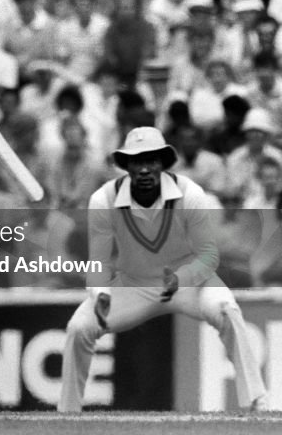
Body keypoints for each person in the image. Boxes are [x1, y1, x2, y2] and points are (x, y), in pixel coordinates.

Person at [58, 127, 266, 412]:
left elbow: (208, 256)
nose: (144, 168)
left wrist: (181, 278)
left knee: (227, 309)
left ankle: (257, 401)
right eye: (136, 161)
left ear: (163, 163)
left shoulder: (189, 192)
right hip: (134, 284)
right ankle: (68, 413)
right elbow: (99, 263)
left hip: (190, 281)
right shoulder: (103, 199)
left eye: (151, 160)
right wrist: (100, 294)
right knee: (79, 327)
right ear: (126, 166)